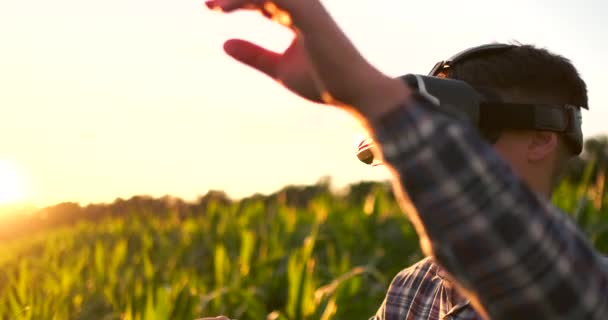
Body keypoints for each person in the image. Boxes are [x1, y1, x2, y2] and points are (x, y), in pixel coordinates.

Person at [202, 0, 608, 319]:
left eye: (458, 129)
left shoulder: (583, 290)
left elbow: (543, 287)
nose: (447, 152)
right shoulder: (412, 289)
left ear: (541, 138)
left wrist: (369, 95)